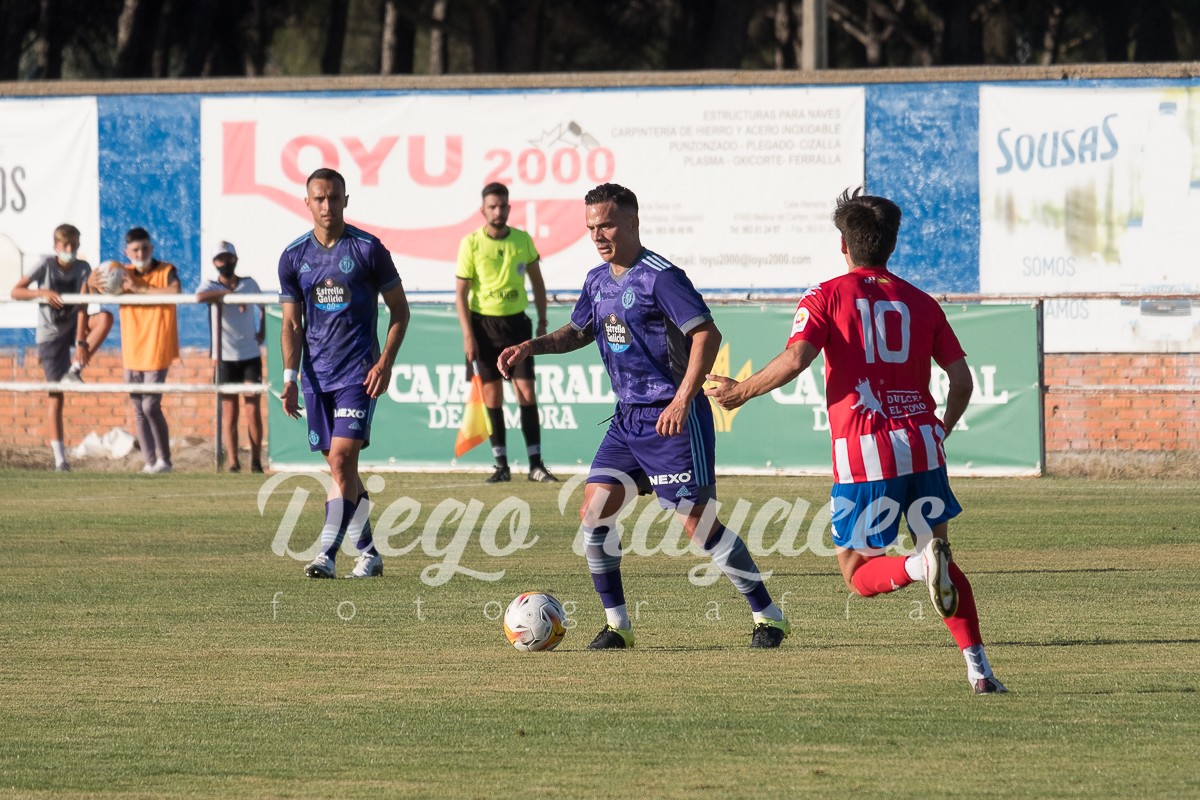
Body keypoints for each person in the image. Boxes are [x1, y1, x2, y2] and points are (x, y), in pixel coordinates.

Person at [705, 187, 1006, 694]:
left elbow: (796, 359)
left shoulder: (826, 295)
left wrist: (741, 392)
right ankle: (980, 671)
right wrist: (940, 431)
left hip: (866, 451)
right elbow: (962, 381)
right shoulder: (921, 302)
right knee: (943, 557)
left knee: (857, 572)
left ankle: (917, 566)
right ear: (892, 244)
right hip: (923, 445)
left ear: (844, 244)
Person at [498, 183, 791, 649]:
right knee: (594, 513)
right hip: (628, 420)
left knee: (699, 526)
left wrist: (682, 399)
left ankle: (769, 617)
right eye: (591, 227)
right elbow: (578, 332)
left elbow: (707, 336)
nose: (598, 235)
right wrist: (530, 346)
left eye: (607, 225)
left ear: (632, 223)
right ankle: (618, 626)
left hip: (673, 419)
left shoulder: (661, 277)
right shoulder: (597, 280)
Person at [279, 167, 410, 580]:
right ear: (307, 203)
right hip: (316, 378)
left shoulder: (368, 249)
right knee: (342, 471)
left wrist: (385, 362)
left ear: (345, 200)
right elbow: (292, 324)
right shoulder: (293, 257)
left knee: (340, 459)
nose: (327, 205)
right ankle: (369, 554)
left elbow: (400, 311)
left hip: (358, 375)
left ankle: (326, 554)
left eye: (334, 197)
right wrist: (289, 378)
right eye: (319, 198)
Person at [456, 182, 557, 483]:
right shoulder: (471, 243)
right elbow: (461, 293)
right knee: (492, 396)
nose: (498, 211)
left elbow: (537, 283)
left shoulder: (522, 240)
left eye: (502, 206)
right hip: (483, 327)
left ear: (509, 208)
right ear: (483, 210)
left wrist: (542, 321)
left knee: (526, 393)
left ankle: (536, 465)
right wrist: (468, 335)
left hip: (517, 327)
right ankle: (501, 465)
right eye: (492, 206)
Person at [10, 224, 113, 471]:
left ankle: (75, 370)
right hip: (51, 334)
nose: (70, 249)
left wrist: (80, 342)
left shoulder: (83, 268)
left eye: (74, 245)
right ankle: (60, 460)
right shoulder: (45, 265)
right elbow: (16, 291)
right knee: (56, 395)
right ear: (56, 246)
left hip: (75, 326)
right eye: (65, 245)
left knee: (105, 318)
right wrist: (42, 292)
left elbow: (83, 305)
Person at [113, 227, 181, 474]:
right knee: (138, 409)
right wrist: (93, 281)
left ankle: (165, 460)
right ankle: (150, 462)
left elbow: (175, 290)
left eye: (144, 248)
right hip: (132, 350)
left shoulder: (166, 270)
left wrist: (139, 289)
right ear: (126, 252)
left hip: (157, 348)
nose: (140, 254)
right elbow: (96, 288)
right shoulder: (121, 274)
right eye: (135, 250)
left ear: (151, 248)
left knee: (150, 405)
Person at [197, 241, 265, 473]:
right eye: (220, 259)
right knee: (229, 412)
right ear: (214, 263)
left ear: (235, 259)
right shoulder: (211, 285)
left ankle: (256, 461)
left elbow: (264, 307)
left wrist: (262, 331)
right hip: (224, 357)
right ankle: (233, 463)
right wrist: (228, 294)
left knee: (252, 410)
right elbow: (200, 297)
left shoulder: (249, 283)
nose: (224, 263)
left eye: (228, 258)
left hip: (250, 354)